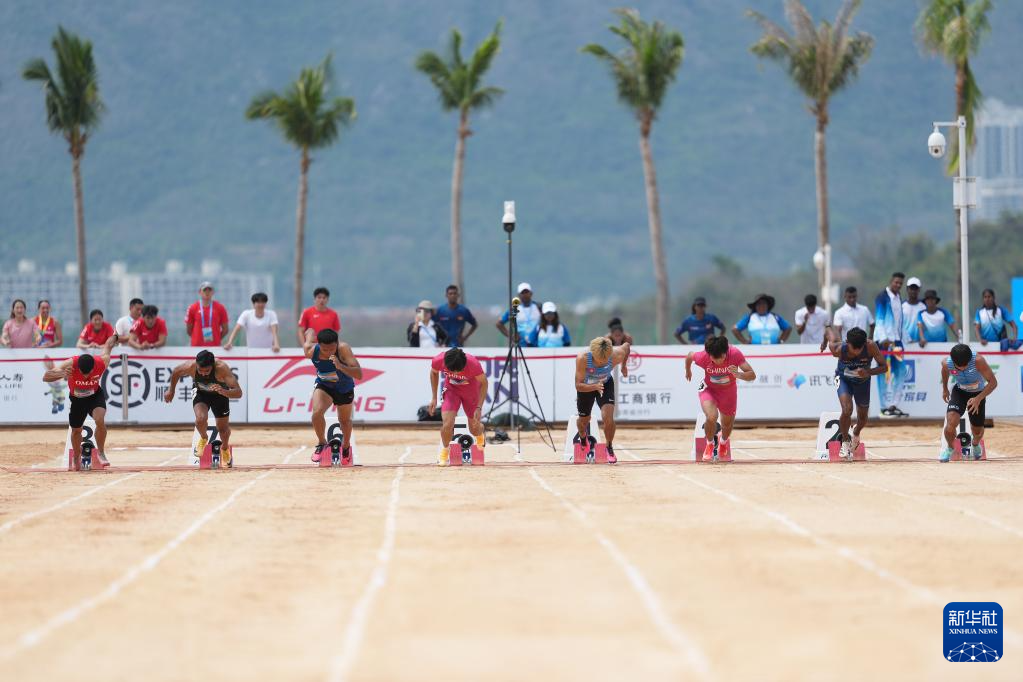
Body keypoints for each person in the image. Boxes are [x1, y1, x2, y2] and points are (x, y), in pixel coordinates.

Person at [42, 336, 117, 468]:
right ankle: (76, 456)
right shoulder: (70, 364)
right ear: (78, 368)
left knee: (99, 420)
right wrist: (63, 374)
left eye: (88, 374)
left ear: (93, 368)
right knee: (76, 430)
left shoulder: (101, 362)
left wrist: (115, 336)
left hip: (94, 396)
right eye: (82, 373)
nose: (85, 376)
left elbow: (108, 347)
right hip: (77, 399)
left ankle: (101, 452)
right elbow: (46, 377)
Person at [165, 349, 243, 467]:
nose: (203, 374)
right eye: (200, 370)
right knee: (200, 418)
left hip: (220, 395)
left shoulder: (221, 368)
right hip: (201, 394)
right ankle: (203, 437)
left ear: (213, 366)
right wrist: (171, 391)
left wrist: (223, 391)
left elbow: (238, 392)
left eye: (207, 371)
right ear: (196, 364)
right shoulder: (190, 366)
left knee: (223, 429)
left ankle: (225, 448)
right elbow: (176, 371)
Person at [685, 335, 756, 461]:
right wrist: (688, 370)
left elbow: (752, 375)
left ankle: (723, 442)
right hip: (709, 389)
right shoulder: (703, 356)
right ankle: (710, 444)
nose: (718, 362)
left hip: (728, 392)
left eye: (721, 358)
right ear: (709, 355)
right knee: (711, 416)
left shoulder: (734, 354)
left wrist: (739, 374)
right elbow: (690, 356)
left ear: (726, 352)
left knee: (727, 424)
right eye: (714, 359)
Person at [822, 327, 886, 459]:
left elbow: (884, 367)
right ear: (847, 342)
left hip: (863, 381)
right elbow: (828, 330)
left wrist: (868, 372)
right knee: (847, 410)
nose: (856, 352)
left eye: (859, 348)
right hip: (844, 379)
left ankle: (856, 433)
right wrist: (823, 343)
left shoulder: (870, 346)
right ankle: (845, 441)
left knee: (863, 417)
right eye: (853, 348)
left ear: (864, 343)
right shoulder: (837, 349)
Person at [304, 329, 362, 463]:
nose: (329, 352)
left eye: (332, 349)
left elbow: (359, 374)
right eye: (325, 349)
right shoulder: (311, 351)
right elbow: (308, 338)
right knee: (316, 413)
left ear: (337, 343)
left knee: (344, 421)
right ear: (319, 345)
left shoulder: (343, 349)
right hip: (324, 386)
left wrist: (340, 366)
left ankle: (346, 446)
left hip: (344, 388)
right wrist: (309, 333)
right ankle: (322, 443)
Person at [574, 337, 631, 464]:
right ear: (592, 354)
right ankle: (583, 437)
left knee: (608, 418)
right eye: (599, 361)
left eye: (605, 361)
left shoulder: (616, 355)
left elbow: (627, 346)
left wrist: (624, 366)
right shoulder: (583, 358)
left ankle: (609, 446)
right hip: (586, 386)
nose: (601, 363)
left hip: (605, 384)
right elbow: (578, 385)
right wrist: (594, 386)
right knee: (584, 421)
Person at [428, 347, 489, 466]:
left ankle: (480, 432)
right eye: (452, 371)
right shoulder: (439, 360)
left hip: (471, 391)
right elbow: (433, 373)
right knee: (447, 424)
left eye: (458, 371)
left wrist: (479, 407)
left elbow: (484, 383)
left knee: (474, 429)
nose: (455, 374)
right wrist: (434, 397)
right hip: (451, 390)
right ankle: (445, 451)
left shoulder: (473, 364)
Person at [939, 344, 997, 462]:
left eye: (965, 366)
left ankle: (975, 444)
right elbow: (944, 372)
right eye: (959, 367)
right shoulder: (946, 363)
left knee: (977, 430)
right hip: (960, 391)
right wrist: (945, 389)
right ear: (953, 362)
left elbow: (993, 382)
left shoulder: (978, 361)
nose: (962, 369)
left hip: (978, 393)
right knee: (951, 422)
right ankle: (950, 448)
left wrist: (978, 398)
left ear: (969, 360)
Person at [873, 272, 908, 418]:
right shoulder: (882, 297)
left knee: (901, 371)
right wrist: (884, 339)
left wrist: (905, 338)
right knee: (883, 373)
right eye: (896, 282)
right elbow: (879, 320)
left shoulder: (899, 297)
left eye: (900, 283)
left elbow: (899, 321)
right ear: (891, 281)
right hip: (884, 342)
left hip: (897, 341)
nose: (898, 285)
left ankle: (893, 405)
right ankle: (883, 408)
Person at [496, 282, 541, 347]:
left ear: (531, 293)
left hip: (537, 345)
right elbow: (499, 324)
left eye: (526, 292)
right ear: (519, 295)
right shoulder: (514, 309)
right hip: (520, 345)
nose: (525, 295)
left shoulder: (539, 307)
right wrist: (511, 336)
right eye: (522, 293)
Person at [185, 282, 229, 347]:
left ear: (213, 292)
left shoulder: (220, 308)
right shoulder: (192, 308)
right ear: (200, 292)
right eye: (205, 290)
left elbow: (225, 329)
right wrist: (196, 338)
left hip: (215, 346)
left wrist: (217, 338)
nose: (207, 292)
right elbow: (189, 329)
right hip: (196, 347)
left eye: (209, 290)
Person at [901, 277, 925, 345]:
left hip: (921, 344)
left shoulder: (924, 307)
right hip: (904, 343)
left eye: (916, 289)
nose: (913, 291)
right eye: (911, 288)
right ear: (907, 289)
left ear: (919, 290)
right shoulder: (901, 306)